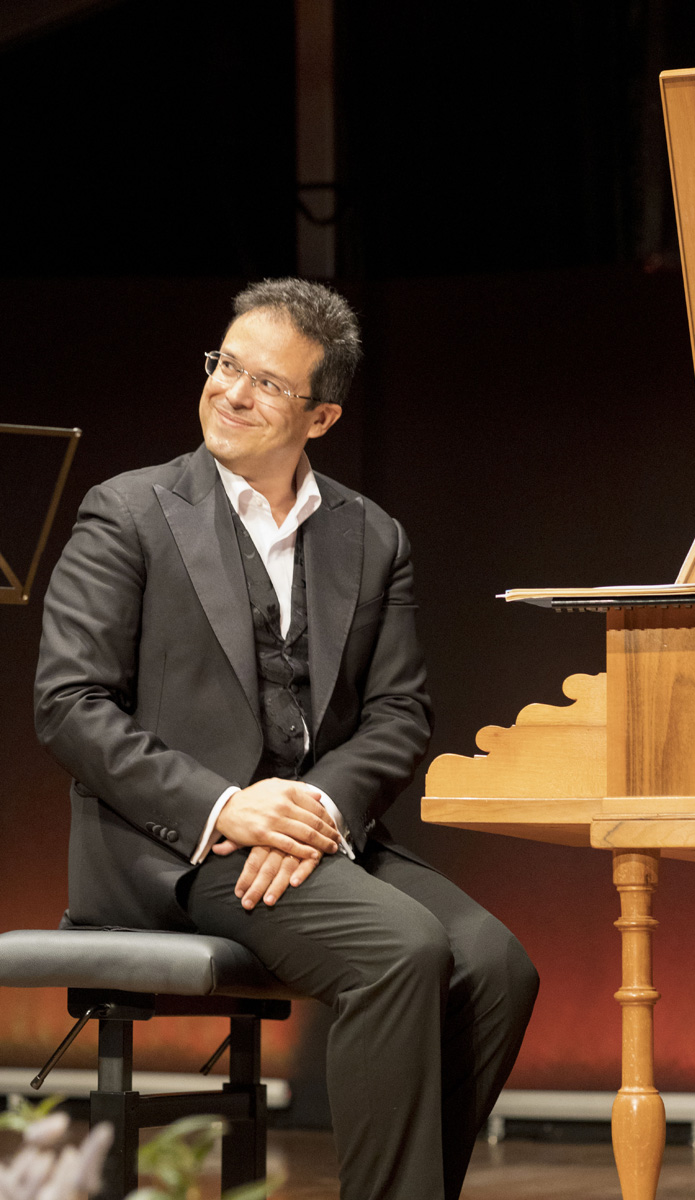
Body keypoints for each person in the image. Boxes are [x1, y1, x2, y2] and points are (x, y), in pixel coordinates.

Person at [34, 278, 538, 1200]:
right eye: (226, 364)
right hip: (177, 845)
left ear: (322, 416)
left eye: (266, 382)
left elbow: (399, 712)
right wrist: (229, 806)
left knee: (498, 965)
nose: (231, 392)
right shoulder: (129, 511)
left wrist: (317, 807)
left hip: (314, 834)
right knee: (401, 950)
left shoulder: (371, 535)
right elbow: (70, 703)